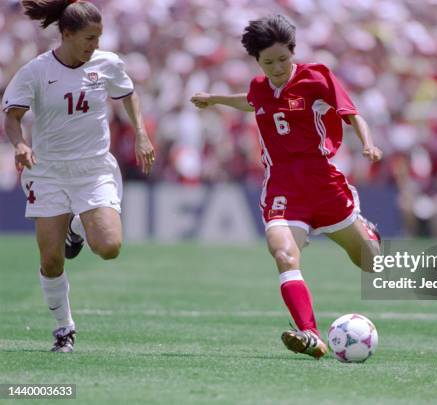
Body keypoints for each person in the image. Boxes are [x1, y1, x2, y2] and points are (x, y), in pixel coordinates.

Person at [191, 15, 382, 359]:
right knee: (283, 255)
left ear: (293, 52)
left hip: (323, 184)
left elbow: (352, 113)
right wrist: (215, 98)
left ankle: (366, 231)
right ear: (257, 61)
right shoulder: (260, 86)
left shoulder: (317, 77)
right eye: (268, 62)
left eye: (283, 59)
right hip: (282, 187)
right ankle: (310, 334)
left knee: (371, 264)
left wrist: (367, 143)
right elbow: (250, 101)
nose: (277, 68)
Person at [3, 0, 155, 352]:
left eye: (98, 37)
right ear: (67, 34)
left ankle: (76, 229)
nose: (94, 45)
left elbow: (128, 93)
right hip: (49, 170)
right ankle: (63, 328)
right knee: (50, 259)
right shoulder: (36, 71)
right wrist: (20, 145)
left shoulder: (108, 63)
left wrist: (141, 132)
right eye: (88, 38)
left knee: (109, 247)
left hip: (93, 168)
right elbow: (12, 115)